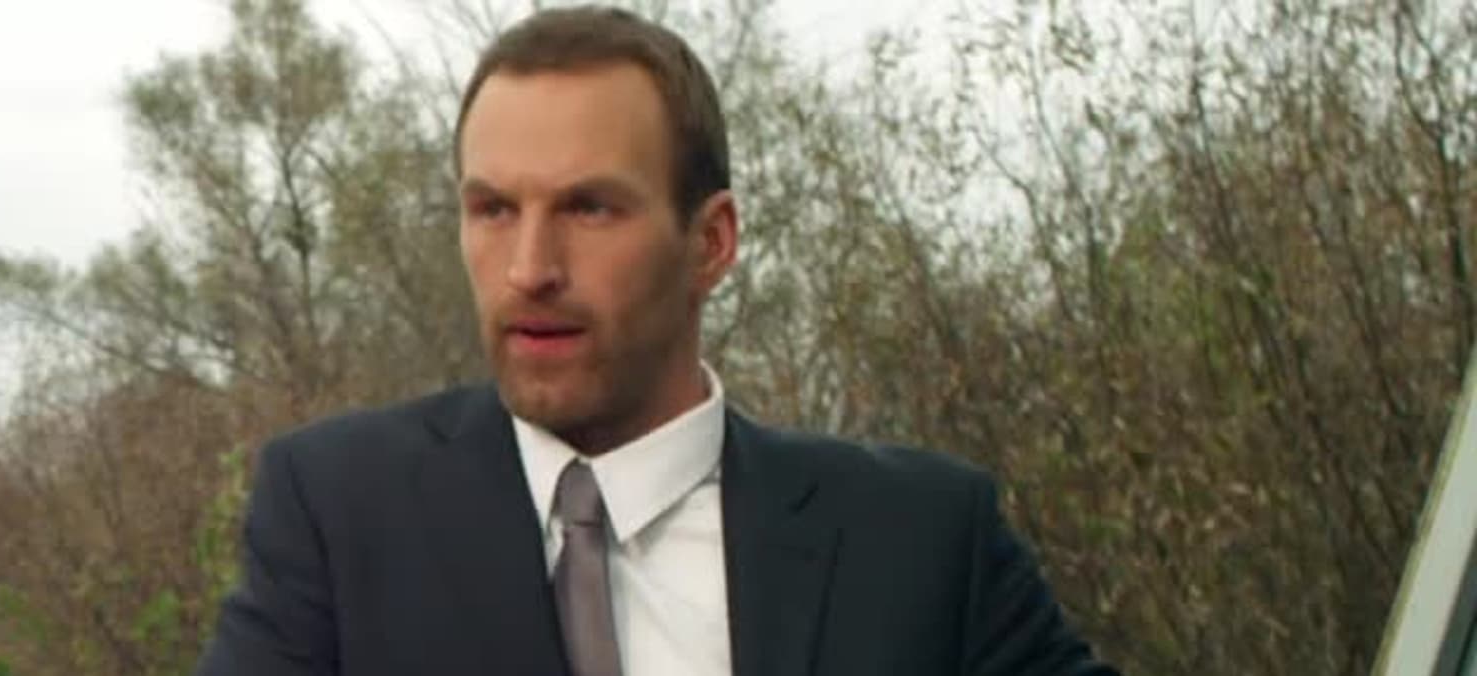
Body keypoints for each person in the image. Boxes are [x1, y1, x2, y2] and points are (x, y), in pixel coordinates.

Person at [195, 6, 1117, 676]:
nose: (529, 268)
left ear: (710, 242)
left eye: (590, 208)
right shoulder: (337, 514)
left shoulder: (919, 542)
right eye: (494, 209)